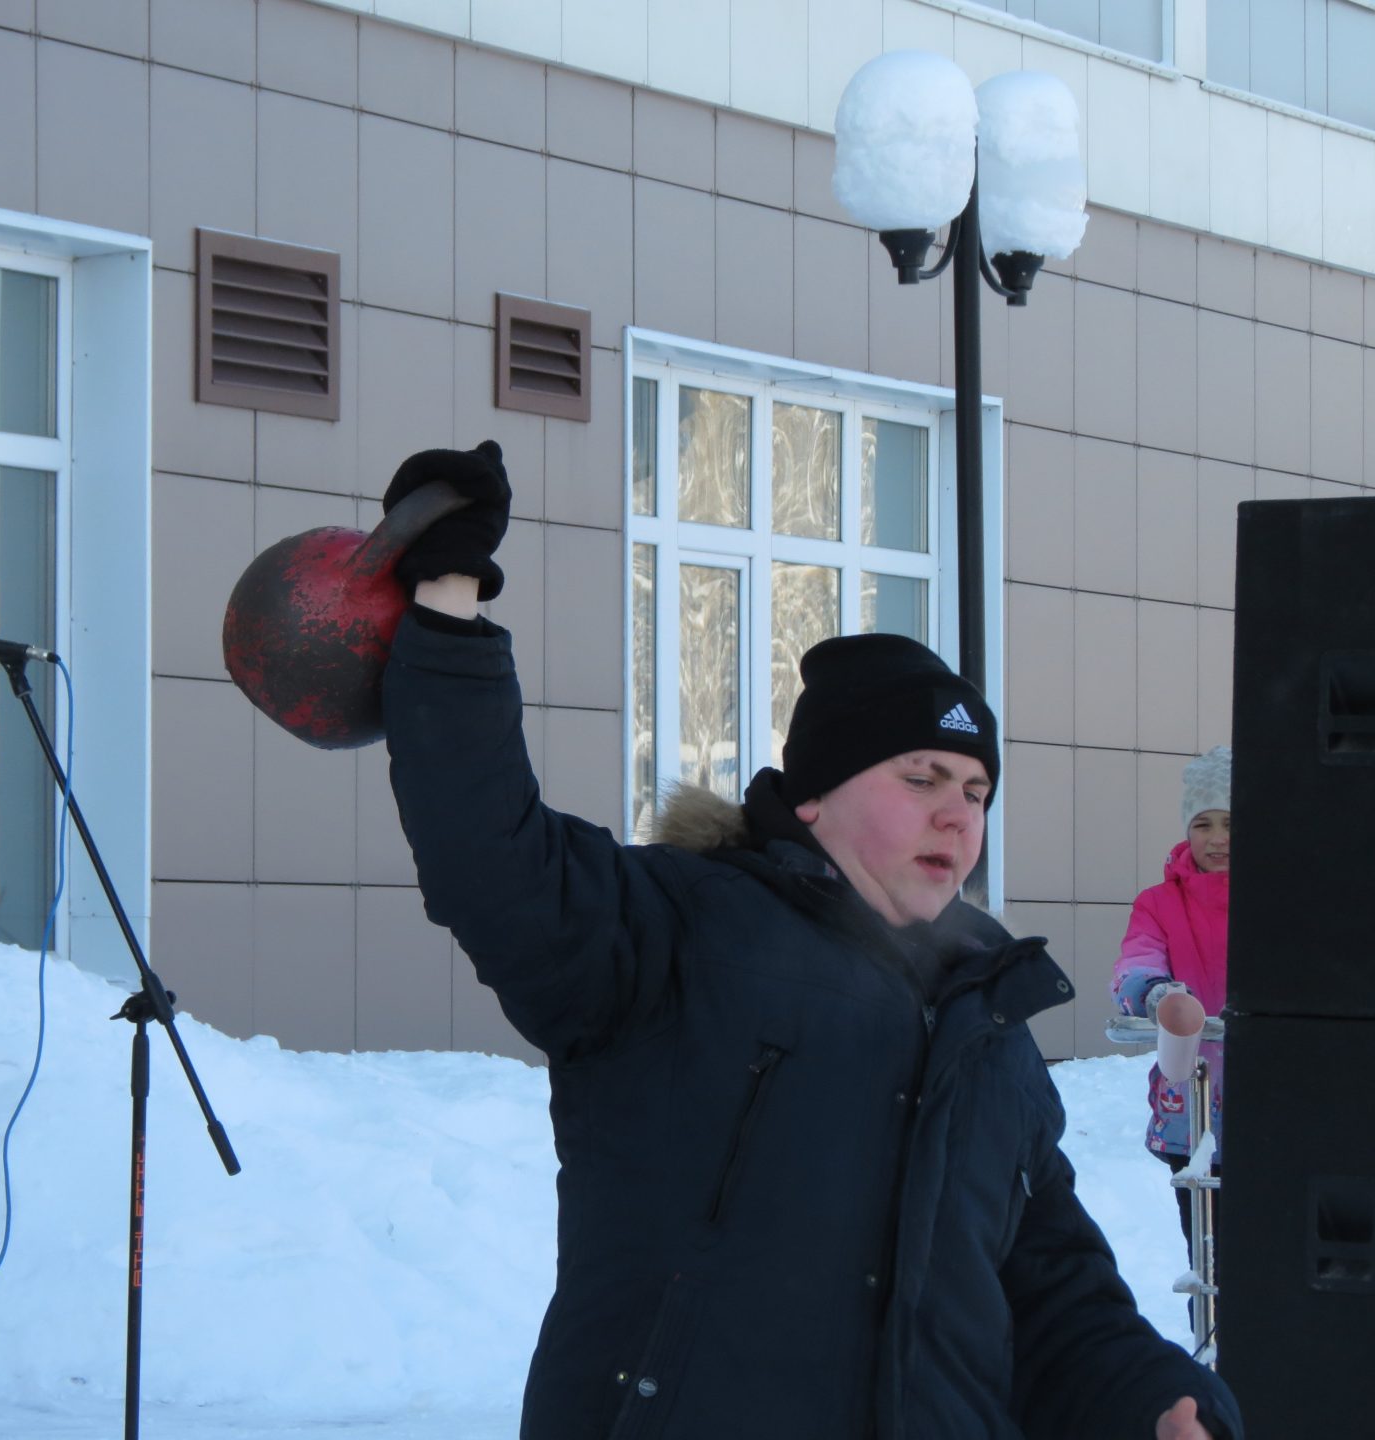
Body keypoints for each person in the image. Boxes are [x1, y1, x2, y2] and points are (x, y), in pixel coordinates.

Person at [379, 441, 1243, 1439]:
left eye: (977, 792)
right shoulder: (676, 931)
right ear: (814, 797)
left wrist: (1161, 1404)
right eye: (921, 778)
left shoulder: (989, 1026)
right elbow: (489, 852)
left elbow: (1054, 1296)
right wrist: (447, 604)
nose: (958, 814)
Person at [1112, 747, 1231, 1260]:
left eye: (1231, 823)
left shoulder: (1284, 897)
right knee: (1209, 1258)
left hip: (1278, 1106)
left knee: (1274, 1260)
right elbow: (1137, 959)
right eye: (1203, 824)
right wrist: (1155, 992)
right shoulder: (1159, 904)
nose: (1217, 838)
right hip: (1193, 1102)